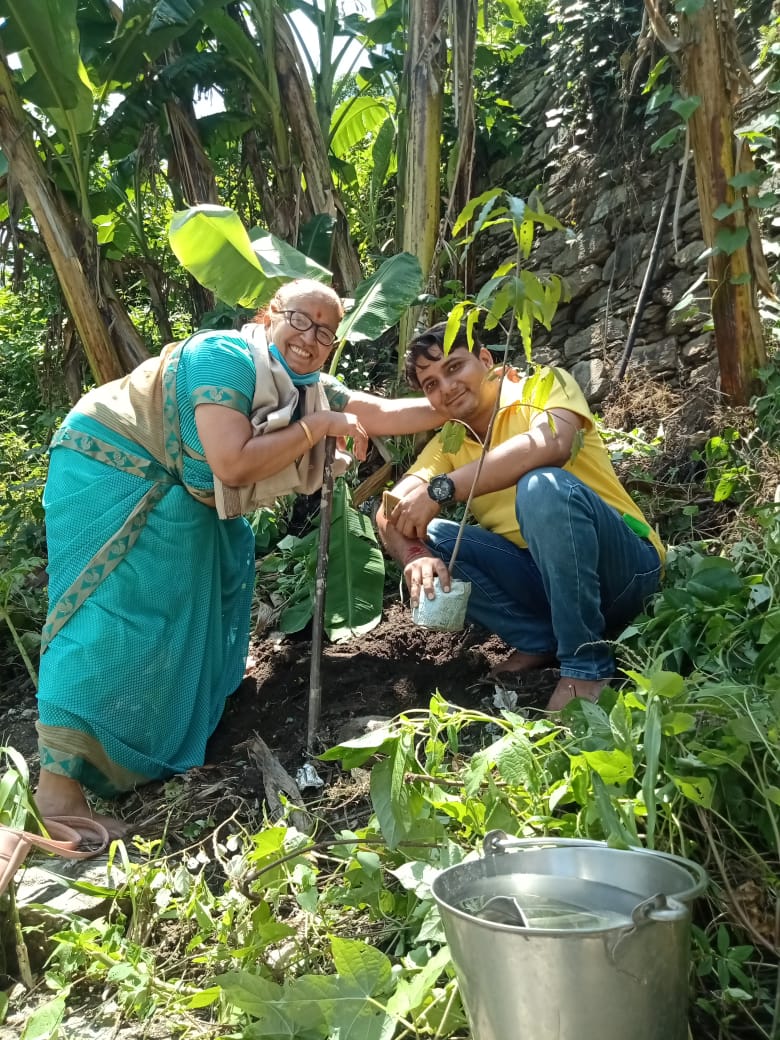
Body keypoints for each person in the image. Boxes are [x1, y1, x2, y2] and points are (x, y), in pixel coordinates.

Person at [35, 279, 443, 837]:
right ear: (270, 314)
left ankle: (148, 748)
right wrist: (318, 427)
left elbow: (382, 412)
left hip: (181, 488)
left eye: (326, 331)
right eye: (301, 320)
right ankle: (57, 791)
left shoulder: (304, 386)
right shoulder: (225, 357)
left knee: (210, 592)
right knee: (108, 615)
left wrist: (459, 401)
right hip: (111, 468)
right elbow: (229, 463)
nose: (312, 337)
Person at [376, 321, 664, 712]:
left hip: (624, 571)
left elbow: (552, 443)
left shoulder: (543, 387)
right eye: (430, 384)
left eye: (454, 367)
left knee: (542, 485)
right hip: (545, 584)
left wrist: (444, 488)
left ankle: (586, 664)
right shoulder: (452, 440)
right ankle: (540, 639)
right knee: (438, 538)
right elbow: (391, 510)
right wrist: (414, 555)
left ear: (485, 360)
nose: (445, 387)